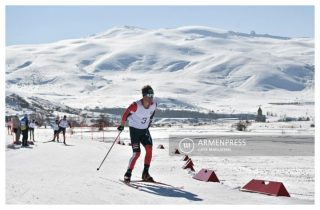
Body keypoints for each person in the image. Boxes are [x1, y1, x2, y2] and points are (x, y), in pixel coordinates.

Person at [118, 85, 157, 183]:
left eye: (152, 94)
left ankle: (145, 173)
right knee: (137, 153)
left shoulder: (154, 104)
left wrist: (149, 121)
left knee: (149, 149)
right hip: (134, 131)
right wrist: (122, 125)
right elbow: (125, 114)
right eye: (149, 95)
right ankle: (128, 173)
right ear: (143, 96)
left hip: (144, 131)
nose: (151, 97)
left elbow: (152, 113)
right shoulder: (135, 105)